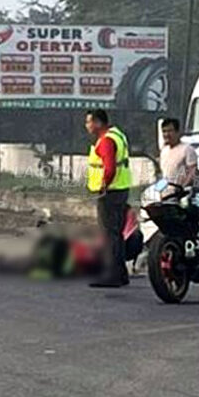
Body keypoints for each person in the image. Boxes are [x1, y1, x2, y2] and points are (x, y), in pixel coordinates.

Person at [85, 109, 131, 288]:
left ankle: (112, 274)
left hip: (110, 192)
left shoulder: (106, 141)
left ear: (98, 123)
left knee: (109, 234)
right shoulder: (118, 135)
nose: (87, 126)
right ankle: (121, 273)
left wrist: (103, 185)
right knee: (117, 233)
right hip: (121, 189)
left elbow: (109, 168)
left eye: (89, 122)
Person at [159, 117, 198, 195]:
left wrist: (182, 188)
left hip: (181, 195)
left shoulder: (187, 149)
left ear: (177, 132)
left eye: (170, 131)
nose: (166, 134)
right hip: (165, 195)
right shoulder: (164, 150)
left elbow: (192, 172)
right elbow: (165, 175)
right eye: (164, 131)